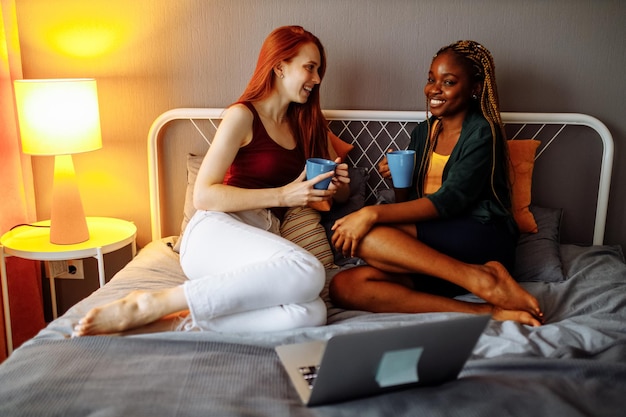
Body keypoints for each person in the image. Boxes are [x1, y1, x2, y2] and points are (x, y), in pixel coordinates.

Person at [73, 26, 350, 336]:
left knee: (310, 313)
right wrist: (284, 196)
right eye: (310, 68)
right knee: (308, 271)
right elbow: (203, 195)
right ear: (279, 66)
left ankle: (179, 323)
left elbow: (339, 197)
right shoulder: (242, 116)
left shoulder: (309, 124)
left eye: (318, 70)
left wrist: (338, 184)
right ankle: (153, 303)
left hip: (260, 240)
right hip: (214, 232)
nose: (317, 79)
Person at [329, 40, 544, 327]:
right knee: (344, 287)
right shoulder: (423, 133)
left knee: (368, 233)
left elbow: (450, 200)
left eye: (449, 81)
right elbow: (407, 207)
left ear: (475, 88)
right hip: (438, 254)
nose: (434, 89)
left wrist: (371, 212)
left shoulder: (483, 133)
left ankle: (485, 278)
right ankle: (486, 310)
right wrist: (399, 178)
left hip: (481, 237)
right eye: (431, 79)